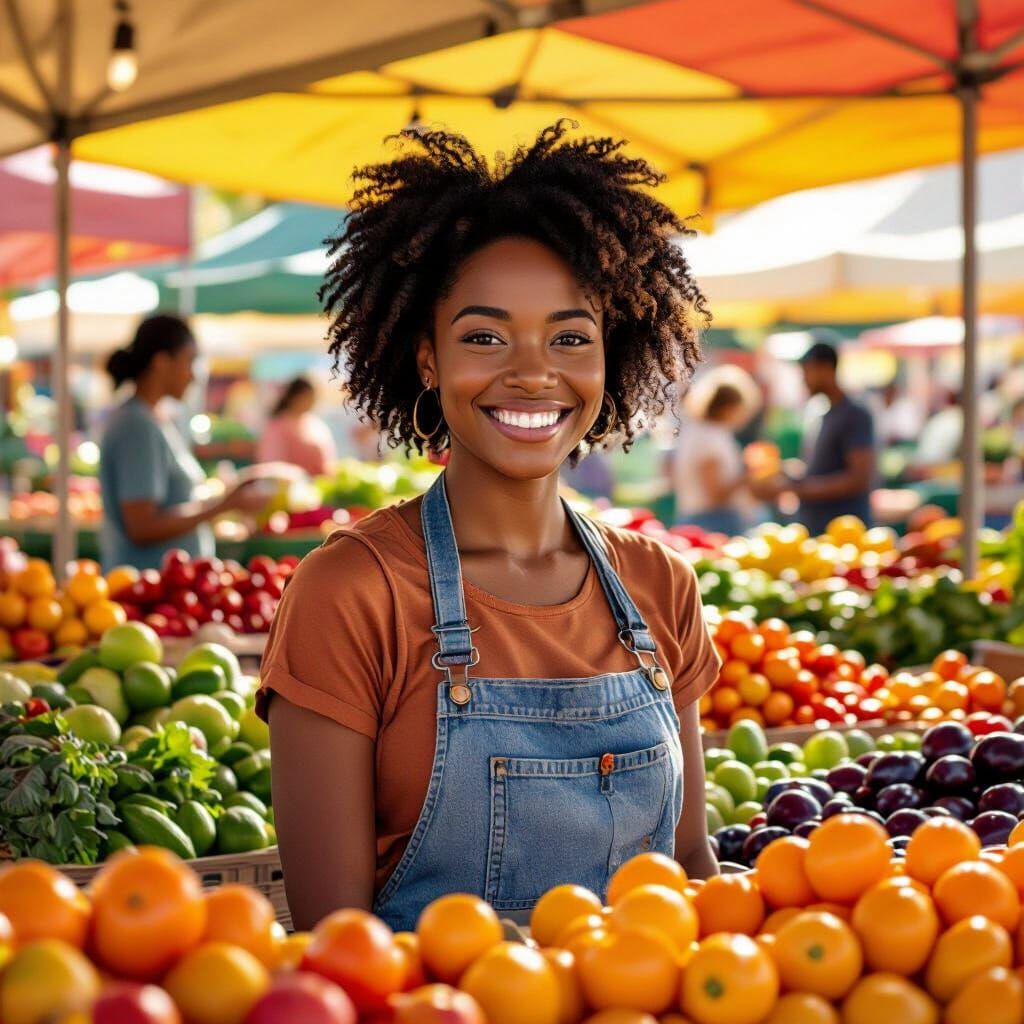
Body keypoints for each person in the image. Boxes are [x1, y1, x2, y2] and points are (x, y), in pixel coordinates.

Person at [258, 121, 722, 931]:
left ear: (612, 354)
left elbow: (691, 873)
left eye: (570, 337)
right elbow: (338, 946)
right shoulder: (350, 592)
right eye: (485, 336)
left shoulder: (662, 586)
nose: (533, 371)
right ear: (427, 358)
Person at [99, 315, 265, 571]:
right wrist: (223, 505)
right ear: (161, 362)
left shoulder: (154, 419)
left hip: (169, 590)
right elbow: (142, 526)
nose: (194, 375)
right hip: (148, 591)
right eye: (190, 361)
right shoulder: (137, 425)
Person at [777, 341, 876, 534]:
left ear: (826, 369)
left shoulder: (854, 415)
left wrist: (797, 489)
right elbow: (822, 470)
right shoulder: (820, 413)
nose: (804, 380)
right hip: (817, 529)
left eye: (807, 372)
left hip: (844, 534)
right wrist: (792, 474)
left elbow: (859, 478)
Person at [672, 365, 761, 535]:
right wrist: (747, 475)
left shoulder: (699, 431)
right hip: (713, 522)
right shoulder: (710, 438)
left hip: (700, 518)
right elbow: (714, 495)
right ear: (729, 407)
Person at [258, 376, 337, 476]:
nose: (311, 401)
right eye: (307, 397)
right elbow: (272, 464)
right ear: (294, 397)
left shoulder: (316, 424)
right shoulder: (277, 426)